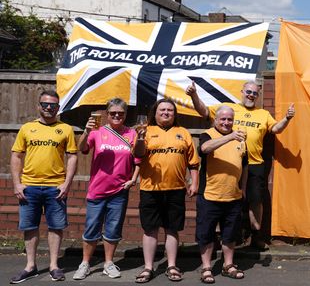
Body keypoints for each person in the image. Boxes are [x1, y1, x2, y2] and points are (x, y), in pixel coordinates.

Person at [186, 80, 294, 251]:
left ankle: (256, 236)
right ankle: (221, 238)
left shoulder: (263, 114)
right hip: (229, 163)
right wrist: (194, 95)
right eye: (248, 92)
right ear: (242, 92)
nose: (251, 95)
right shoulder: (228, 108)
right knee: (223, 200)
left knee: (255, 201)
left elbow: (276, 129)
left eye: (255, 93)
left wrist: (287, 118)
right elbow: (203, 111)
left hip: (254, 165)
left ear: (258, 96)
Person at [10, 90, 77, 283]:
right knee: (30, 227)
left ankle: (54, 266)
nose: (49, 108)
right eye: (45, 104)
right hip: (29, 187)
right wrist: (17, 184)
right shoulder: (27, 128)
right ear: (39, 106)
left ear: (58, 107)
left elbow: (73, 156)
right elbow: (16, 156)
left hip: (55, 187)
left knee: (56, 227)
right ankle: (30, 266)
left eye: (53, 105)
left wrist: (66, 183)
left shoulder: (66, 129)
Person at [72, 98, 142, 280]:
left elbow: (139, 159)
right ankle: (85, 263)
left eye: (120, 113)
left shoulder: (132, 134)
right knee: (92, 228)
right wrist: (86, 132)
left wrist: (133, 180)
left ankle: (108, 263)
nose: (117, 116)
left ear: (125, 114)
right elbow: (83, 149)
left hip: (119, 191)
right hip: (97, 190)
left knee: (112, 229)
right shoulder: (97, 131)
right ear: (107, 114)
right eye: (113, 113)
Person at [135, 99, 199, 284]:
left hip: (176, 189)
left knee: (172, 229)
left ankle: (172, 265)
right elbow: (138, 155)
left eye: (170, 110)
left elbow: (193, 163)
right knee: (150, 229)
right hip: (150, 189)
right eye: (162, 109)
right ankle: (148, 267)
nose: (166, 113)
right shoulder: (146, 130)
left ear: (174, 113)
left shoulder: (183, 133)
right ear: (155, 113)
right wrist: (140, 138)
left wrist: (194, 183)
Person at [196, 106, 248, 283]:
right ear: (216, 120)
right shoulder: (208, 134)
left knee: (230, 234)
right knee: (206, 234)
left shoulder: (241, 139)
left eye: (229, 120)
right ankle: (206, 268)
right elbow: (204, 149)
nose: (226, 122)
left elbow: (245, 165)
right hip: (210, 195)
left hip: (233, 196)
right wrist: (230, 137)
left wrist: (243, 189)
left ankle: (228, 265)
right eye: (223, 119)